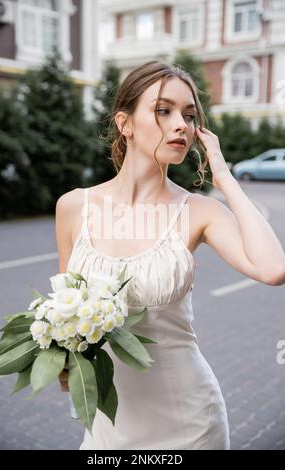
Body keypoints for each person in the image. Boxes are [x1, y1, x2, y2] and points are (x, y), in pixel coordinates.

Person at [55, 61, 285, 450]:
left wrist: (224, 178)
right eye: (164, 110)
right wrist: (63, 360)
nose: (181, 124)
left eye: (189, 115)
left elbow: (273, 269)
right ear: (125, 123)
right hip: (108, 423)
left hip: (189, 423)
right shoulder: (74, 207)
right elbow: (66, 312)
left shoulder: (199, 211)